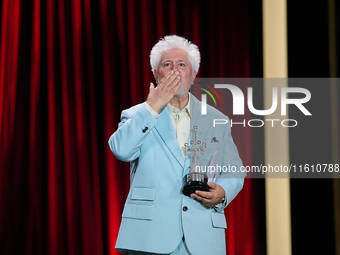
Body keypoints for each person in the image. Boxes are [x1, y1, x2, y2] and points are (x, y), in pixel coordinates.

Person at [108, 35, 244, 255]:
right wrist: (151, 107)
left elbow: (234, 170)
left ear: (193, 74)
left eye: (182, 65)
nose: (174, 70)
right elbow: (121, 150)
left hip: (203, 237)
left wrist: (223, 193)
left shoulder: (217, 119)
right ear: (155, 74)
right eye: (166, 65)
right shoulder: (136, 114)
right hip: (150, 237)